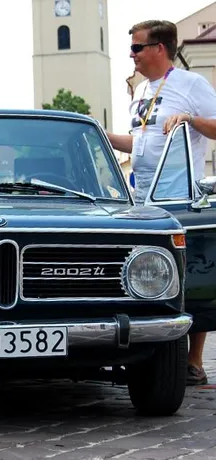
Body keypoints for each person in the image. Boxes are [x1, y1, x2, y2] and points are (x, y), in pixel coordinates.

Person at [107, 20, 216, 386]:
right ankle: (147, 353)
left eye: (137, 48)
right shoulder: (140, 91)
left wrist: (191, 119)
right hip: (141, 196)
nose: (132, 55)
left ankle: (193, 362)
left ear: (159, 48)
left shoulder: (190, 84)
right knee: (146, 274)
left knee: (186, 277)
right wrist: (100, 137)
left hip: (179, 194)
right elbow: (138, 143)